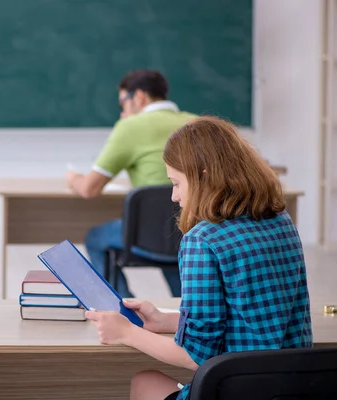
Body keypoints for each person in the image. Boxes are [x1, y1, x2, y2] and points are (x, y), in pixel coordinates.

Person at [85, 116, 313, 400]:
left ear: (203, 176)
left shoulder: (202, 240)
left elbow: (195, 356)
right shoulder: (280, 219)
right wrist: (168, 320)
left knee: (144, 382)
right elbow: (248, 316)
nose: (173, 196)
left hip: (237, 389)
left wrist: (126, 334)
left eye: (176, 183)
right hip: (294, 388)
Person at [66, 69, 196, 298]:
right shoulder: (197, 123)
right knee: (176, 241)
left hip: (151, 232)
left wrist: (73, 178)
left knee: (96, 238)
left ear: (139, 97)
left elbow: (89, 188)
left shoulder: (130, 127)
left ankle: (122, 307)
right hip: (194, 228)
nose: (122, 111)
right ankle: (187, 307)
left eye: (122, 103)